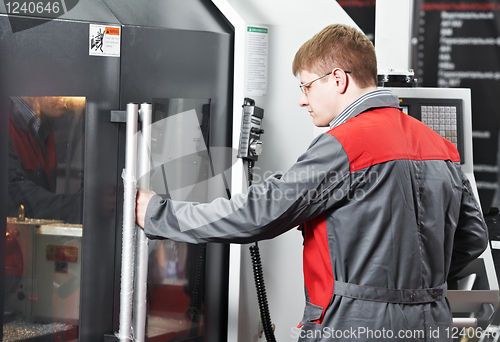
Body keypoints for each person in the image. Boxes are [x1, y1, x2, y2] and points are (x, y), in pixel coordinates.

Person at [136, 24, 488, 341]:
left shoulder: (345, 144)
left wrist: (159, 213)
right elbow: (473, 238)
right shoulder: (441, 146)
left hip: (357, 325)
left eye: (305, 86)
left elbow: (258, 215)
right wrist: (415, 284)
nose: (302, 99)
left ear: (338, 79)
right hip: (432, 324)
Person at [8, 96, 83, 223]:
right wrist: (81, 206)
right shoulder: (8, 124)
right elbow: (16, 198)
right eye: (58, 84)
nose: (67, 100)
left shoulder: (42, 127)